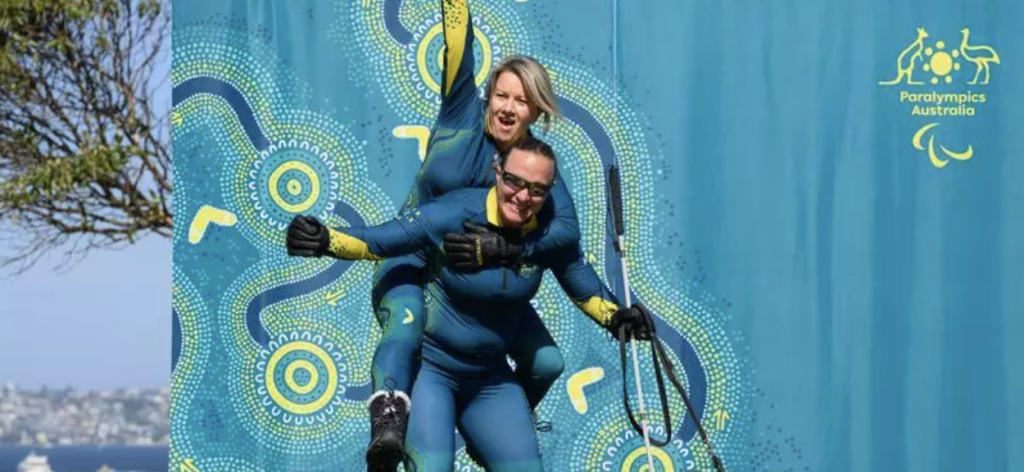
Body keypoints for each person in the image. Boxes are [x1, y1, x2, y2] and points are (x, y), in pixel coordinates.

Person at [286, 136, 652, 472]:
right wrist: (324, 240)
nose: (523, 197)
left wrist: (620, 317)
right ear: (497, 171)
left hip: (491, 381)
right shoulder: (454, 212)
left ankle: (491, 433)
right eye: (514, 182)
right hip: (433, 372)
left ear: (550, 191)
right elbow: (381, 241)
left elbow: (583, 287)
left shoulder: (549, 232)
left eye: (538, 190)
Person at [349, 0, 587, 467]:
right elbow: (458, 47)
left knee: (546, 364)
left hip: (478, 278)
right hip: (414, 252)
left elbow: (566, 235)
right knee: (406, 324)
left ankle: (496, 422)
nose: (508, 107)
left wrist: (510, 246)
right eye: (502, 95)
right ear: (488, 96)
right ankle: (390, 420)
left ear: (535, 111)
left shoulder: (532, 166)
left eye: (521, 100)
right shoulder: (461, 114)